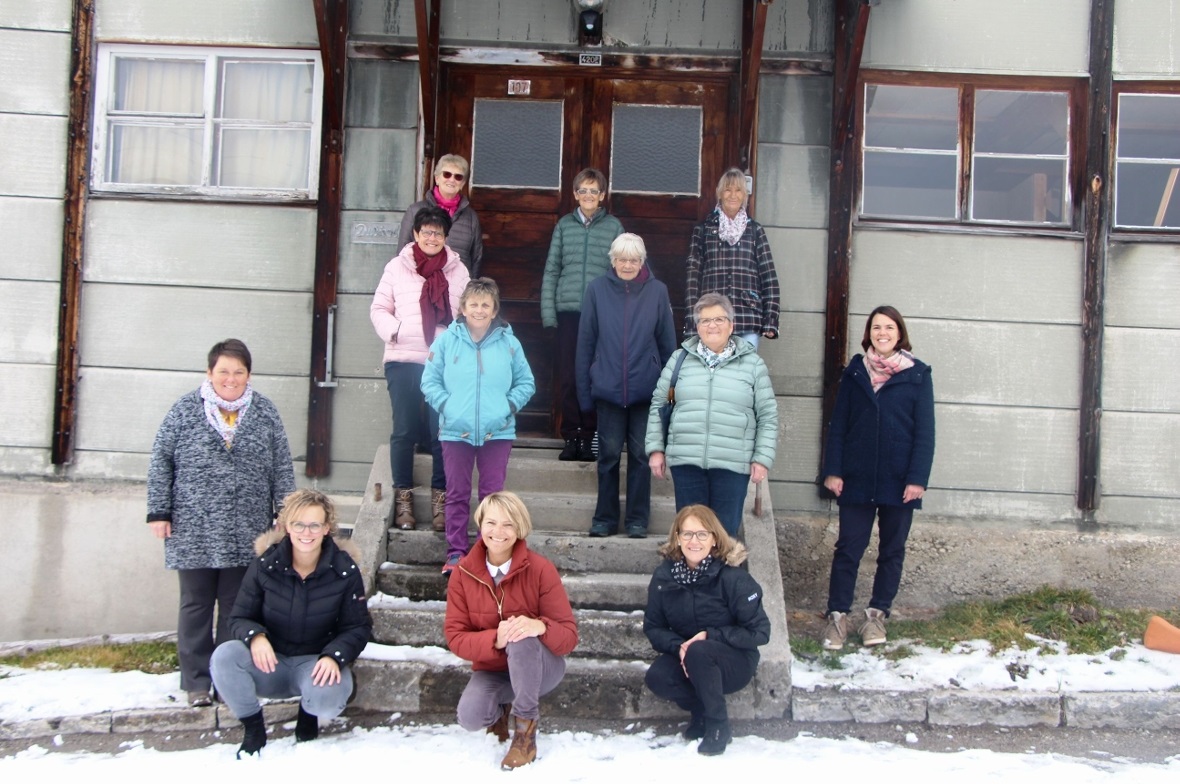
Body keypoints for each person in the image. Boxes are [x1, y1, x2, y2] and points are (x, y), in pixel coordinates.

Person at [146, 339, 295, 708]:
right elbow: (160, 461)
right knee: (195, 605)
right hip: (191, 525)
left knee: (235, 607)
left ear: (249, 375)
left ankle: (224, 678)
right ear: (209, 373)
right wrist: (159, 511)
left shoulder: (264, 412)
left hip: (245, 528)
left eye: (239, 372)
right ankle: (196, 683)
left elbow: (282, 466)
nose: (231, 379)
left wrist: (285, 513)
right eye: (223, 371)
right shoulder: (184, 410)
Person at [210, 489, 373, 758]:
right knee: (225, 657)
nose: (306, 532)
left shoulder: (344, 571)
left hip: (314, 664)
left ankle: (308, 714)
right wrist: (256, 637)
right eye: (298, 524)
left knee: (330, 696)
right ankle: (254, 728)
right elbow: (239, 616)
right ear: (286, 527)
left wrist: (334, 656)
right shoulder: (266, 565)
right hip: (271, 662)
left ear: (327, 528)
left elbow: (358, 627)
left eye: (314, 525)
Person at [821, 305, 935, 651]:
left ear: (900, 333)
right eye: (875, 328)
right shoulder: (855, 372)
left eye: (888, 327)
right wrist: (833, 470)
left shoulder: (917, 374)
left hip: (900, 481)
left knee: (892, 549)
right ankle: (838, 617)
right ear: (868, 333)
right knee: (848, 550)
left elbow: (925, 433)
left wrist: (917, 479)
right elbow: (839, 425)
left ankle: (876, 615)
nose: (882, 333)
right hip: (855, 478)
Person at [444, 491, 579, 770]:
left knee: (521, 636)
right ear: (480, 524)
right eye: (491, 523)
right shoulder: (463, 574)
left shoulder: (540, 569)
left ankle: (525, 732)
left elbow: (568, 637)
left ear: (519, 528)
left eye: (508, 524)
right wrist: (496, 637)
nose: (498, 532)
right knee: (470, 716)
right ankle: (500, 711)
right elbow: (456, 638)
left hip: (542, 668)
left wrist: (539, 626)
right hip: (494, 669)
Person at [422, 278, 536, 576]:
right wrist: (448, 407)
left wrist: (507, 408)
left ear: (495, 308)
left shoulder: (509, 343)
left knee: (492, 496)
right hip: (454, 432)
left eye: (486, 304)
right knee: (457, 492)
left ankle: (490, 553)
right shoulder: (446, 341)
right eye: (473, 304)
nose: (480, 310)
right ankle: (457, 552)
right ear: (462, 308)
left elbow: (526, 383)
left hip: (497, 432)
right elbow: (429, 381)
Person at [371, 206, 470, 532]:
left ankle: (441, 502)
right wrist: (396, 331)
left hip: (441, 365)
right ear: (415, 234)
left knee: (440, 432)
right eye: (426, 232)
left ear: (445, 236)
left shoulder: (458, 271)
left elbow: (468, 316)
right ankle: (404, 500)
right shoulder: (397, 267)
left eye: (437, 233)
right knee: (404, 430)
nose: (432, 237)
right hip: (402, 360)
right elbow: (379, 308)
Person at [646, 293, 778, 537]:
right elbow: (659, 404)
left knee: (724, 536)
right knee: (690, 534)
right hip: (687, 461)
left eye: (719, 319)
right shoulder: (679, 360)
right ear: (697, 327)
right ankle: (693, 576)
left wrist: (762, 458)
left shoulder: (752, 364)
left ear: (731, 325)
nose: (712, 326)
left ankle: (721, 577)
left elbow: (767, 415)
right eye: (705, 321)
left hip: (732, 464)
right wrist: (656, 449)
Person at [643, 505, 771, 756]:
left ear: (714, 538)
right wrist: (678, 646)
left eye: (702, 534)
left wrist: (711, 635)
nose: (694, 541)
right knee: (658, 677)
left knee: (700, 652)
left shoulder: (733, 578)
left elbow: (760, 633)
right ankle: (700, 710)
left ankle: (718, 725)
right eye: (687, 534)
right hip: (687, 656)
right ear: (677, 538)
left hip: (733, 661)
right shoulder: (664, 577)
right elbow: (654, 627)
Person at [575, 232, 676, 538]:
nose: (627, 265)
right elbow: (585, 342)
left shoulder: (657, 292)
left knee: (641, 457)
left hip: (646, 392)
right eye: (622, 259)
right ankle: (604, 519)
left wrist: (670, 395)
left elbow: (668, 345)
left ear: (642, 261)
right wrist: (584, 393)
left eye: (633, 260)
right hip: (607, 390)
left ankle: (636, 520)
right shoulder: (597, 290)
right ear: (613, 260)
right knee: (606, 457)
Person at [540, 167, 624, 461]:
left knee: (593, 377)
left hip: (600, 317)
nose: (588, 196)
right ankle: (571, 437)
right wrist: (549, 314)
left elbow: (622, 273)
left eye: (594, 191)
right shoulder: (564, 225)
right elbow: (552, 269)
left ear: (602, 196)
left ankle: (589, 437)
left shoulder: (613, 227)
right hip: (569, 314)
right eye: (583, 191)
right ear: (575, 194)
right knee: (568, 377)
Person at [684, 167, 780, 348]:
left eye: (738, 190)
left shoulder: (755, 231)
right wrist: (691, 320)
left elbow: (769, 277)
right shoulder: (703, 230)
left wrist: (770, 320)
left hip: (747, 316)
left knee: (744, 373)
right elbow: (692, 278)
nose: (733, 195)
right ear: (720, 194)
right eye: (728, 190)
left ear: (745, 195)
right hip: (712, 317)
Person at [398, 153, 483, 277]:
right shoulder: (415, 211)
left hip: (458, 287)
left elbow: (476, 258)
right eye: (447, 174)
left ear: (463, 183)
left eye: (458, 177)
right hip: (420, 284)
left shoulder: (471, 217)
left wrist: (470, 288)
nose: (452, 180)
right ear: (437, 178)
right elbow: (402, 253)